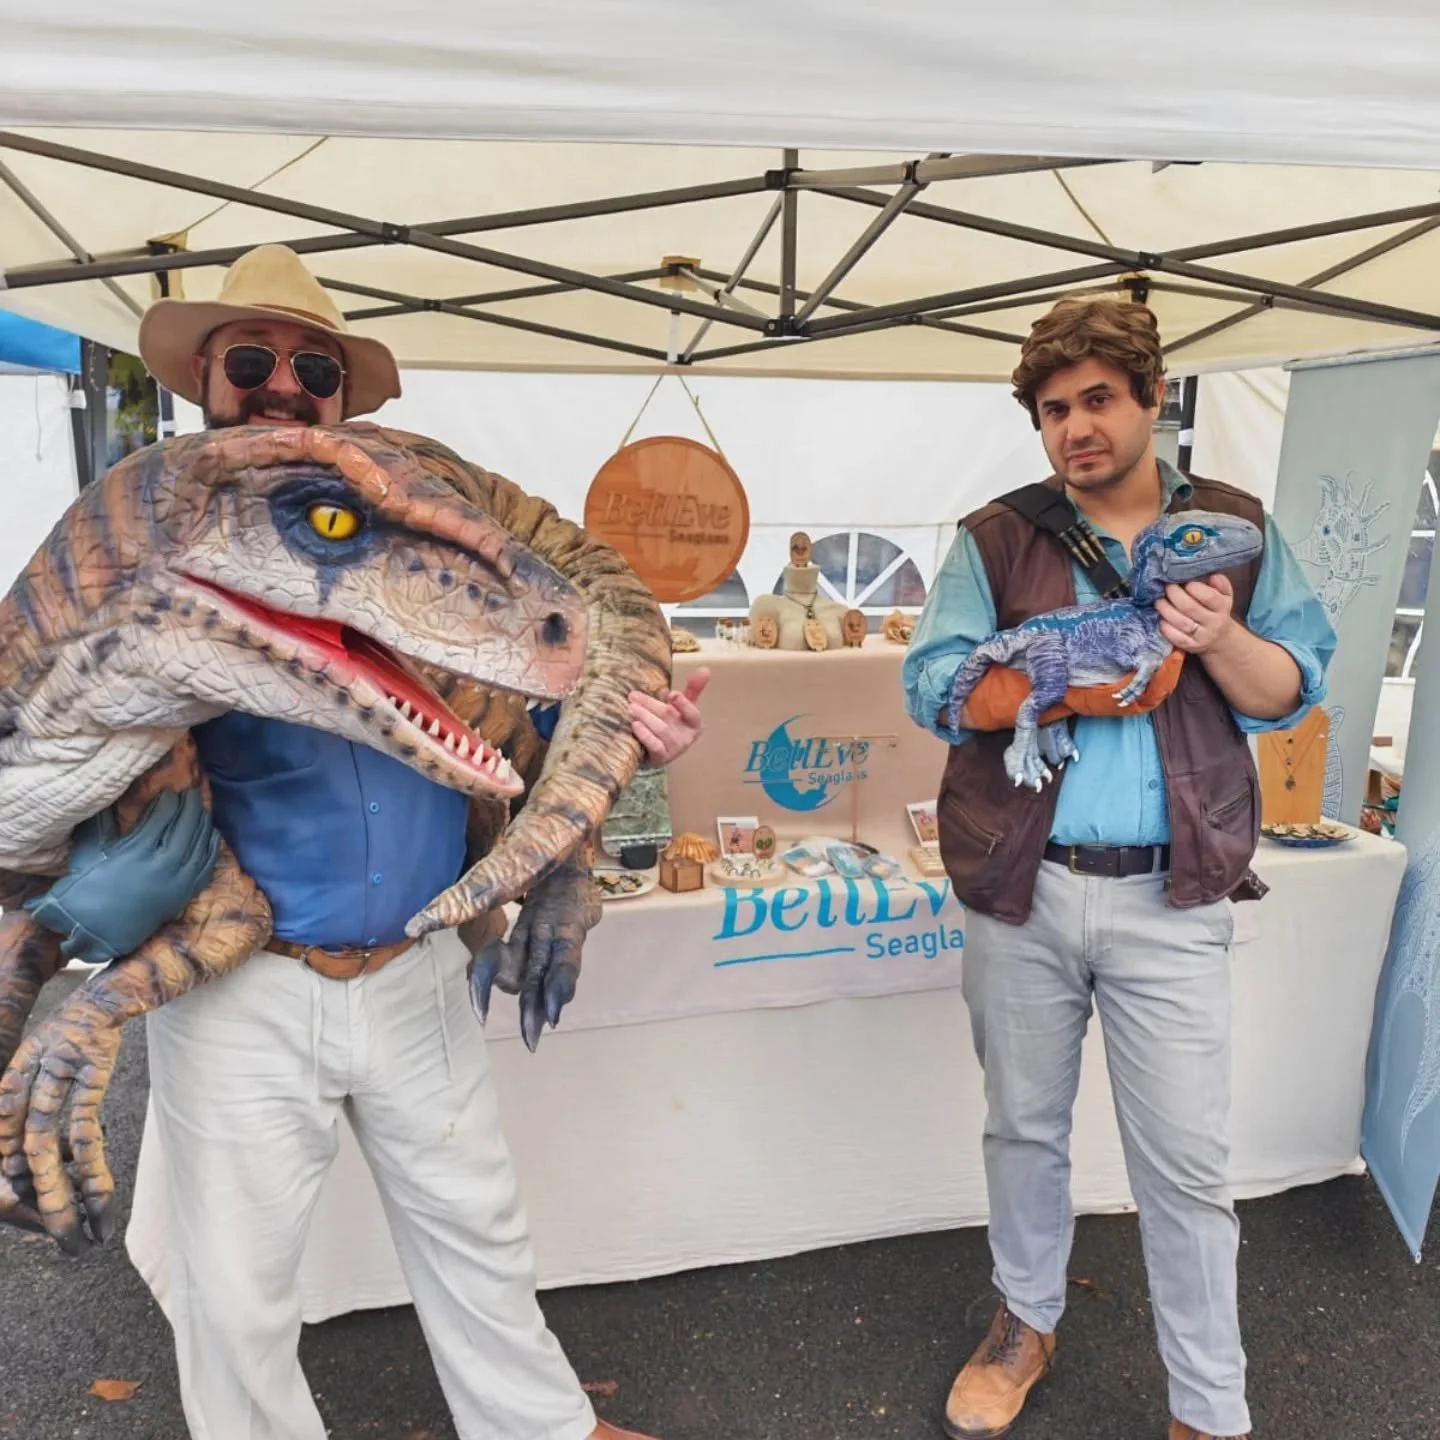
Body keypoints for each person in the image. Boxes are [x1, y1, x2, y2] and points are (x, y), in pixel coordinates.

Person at [39, 244, 707, 1440]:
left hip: (418, 961)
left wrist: (626, 742)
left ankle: (541, 1429)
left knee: (478, 1230)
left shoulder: (424, 537)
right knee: (236, 1289)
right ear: (207, 376)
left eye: (315, 365)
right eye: (255, 361)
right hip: (247, 982)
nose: (286, 383)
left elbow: (544, 686)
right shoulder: (159, 549)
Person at [902, 297, 1335, 1440]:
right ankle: (1024, 1320)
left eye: (1098, 399)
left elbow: (1295, 688)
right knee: (1023, 1128)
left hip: (1171, 891)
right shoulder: (996, 538)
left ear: (1153, 398)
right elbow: (933, 686)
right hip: (1022, 888)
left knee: (1188, 1165)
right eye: (1054, 411)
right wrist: (1079, 686)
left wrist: (1217, 639)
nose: (1076, 428)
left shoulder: (1235, 528)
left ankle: (1209, 1403)